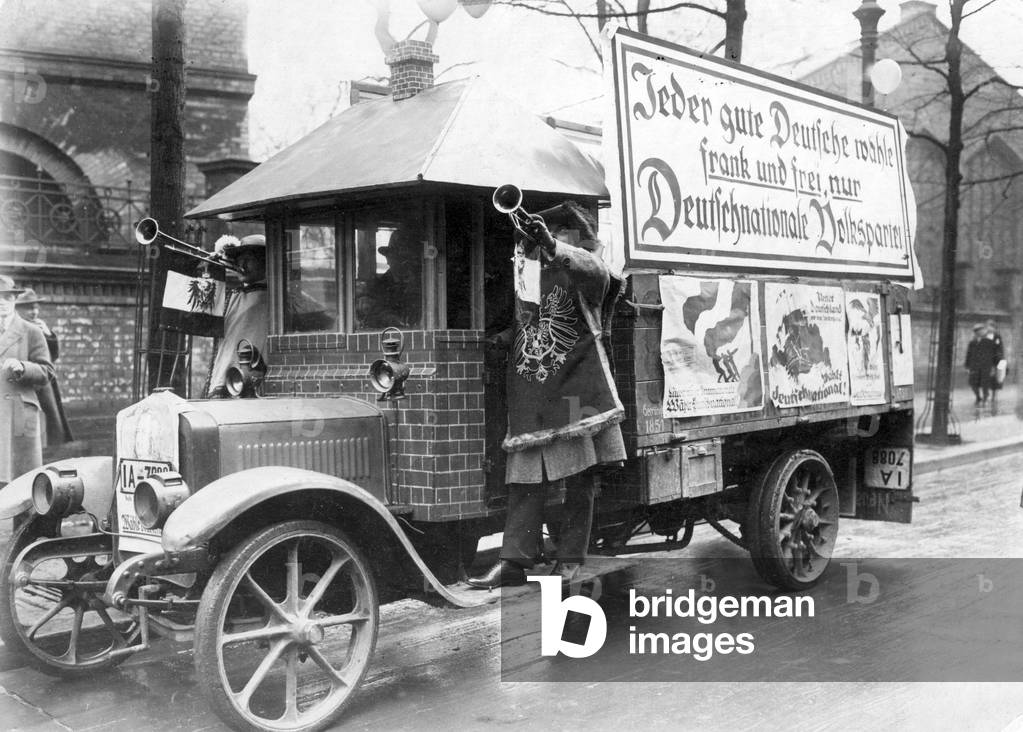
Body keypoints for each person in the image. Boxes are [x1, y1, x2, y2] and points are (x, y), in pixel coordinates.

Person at [468, 202, 626, 589]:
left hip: (577, 386)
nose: (549, 237)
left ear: (579, 238)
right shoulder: (531, 272)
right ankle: (513, 562)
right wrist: (500, 340)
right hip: (533, 388)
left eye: (561, 231)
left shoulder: (590, 270)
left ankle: (570, 559)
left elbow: (595, 272)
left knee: (580, 477)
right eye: (547, 230)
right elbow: (528, 321)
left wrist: (554, 246)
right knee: (524, 479)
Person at [0, 275, 55, 488]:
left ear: (14, 300)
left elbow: (47, 371)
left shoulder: (31, 331)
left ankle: (24, 523)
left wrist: (23, 367)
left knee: (24, 483)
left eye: (7, 297)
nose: (2, 302)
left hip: (20, 415)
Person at [206, 234, 269, 398]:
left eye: (248, 259)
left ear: (264, 262)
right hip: (225, 378)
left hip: (248, 381)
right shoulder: (234, 295)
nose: (241, 265)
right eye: (238, 260)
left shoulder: (270, 296)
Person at [14, 288, 73, 446]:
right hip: (22, 384)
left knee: (50, 424)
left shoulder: (38, 328)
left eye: (36, 307)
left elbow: (52, 357)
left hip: (42, 383)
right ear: (16, 308)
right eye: (28, 308)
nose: (34, 312)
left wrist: (48, 335)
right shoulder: (14, 329)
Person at [964, 322, 997, 406]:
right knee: (973, 383)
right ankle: (978, 396)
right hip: (974, 366)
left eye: (980, 330)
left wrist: (993, 367)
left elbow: (994, 355)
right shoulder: (972, 343)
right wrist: (967, 366)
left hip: (986, 366)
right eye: (976, 331)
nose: (978, 332)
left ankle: (985, 397)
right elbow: (969, 354)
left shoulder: (990, 342)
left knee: (984, 383)